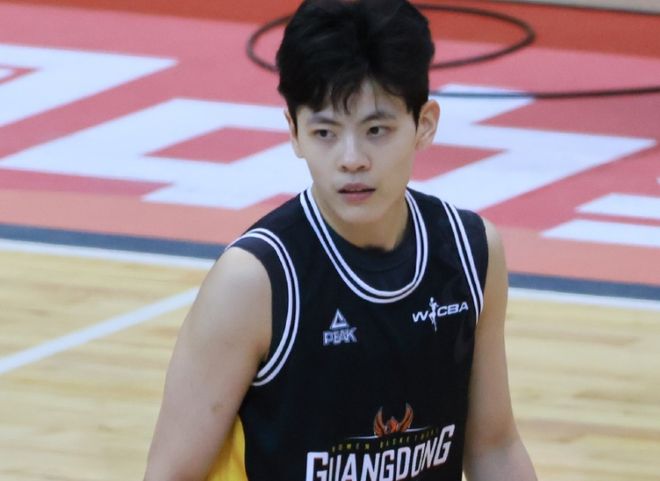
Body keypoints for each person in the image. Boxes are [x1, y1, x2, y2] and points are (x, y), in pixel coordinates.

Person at [144, 0, 537, 479]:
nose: (352, 159)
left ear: (424, 124)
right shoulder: (253, 283)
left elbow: (494, 447)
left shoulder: (471, 252)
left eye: (376, 130)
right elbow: (170, 474)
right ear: (294, 132)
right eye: (326, 132)